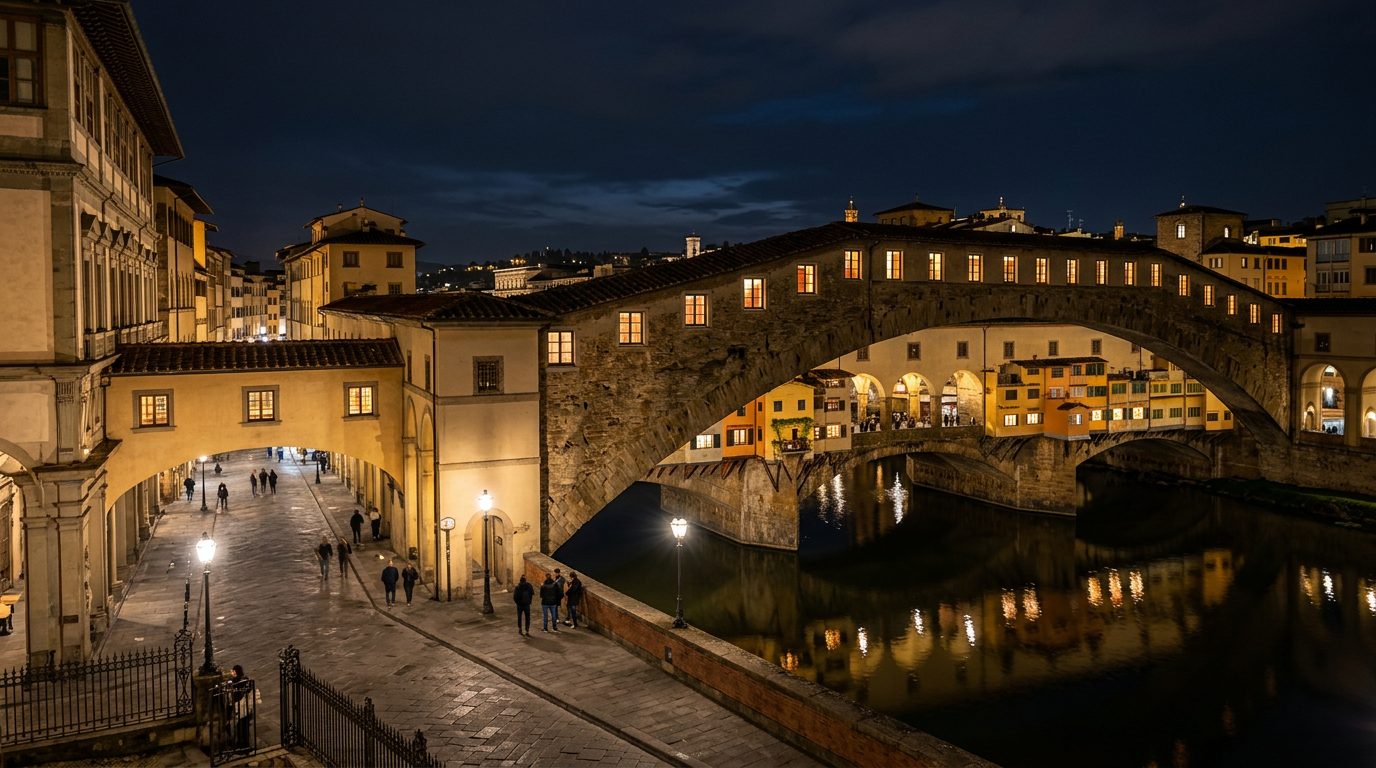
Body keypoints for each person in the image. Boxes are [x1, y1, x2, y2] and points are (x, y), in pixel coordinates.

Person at [227, 665, 254, 753]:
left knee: (239, 726)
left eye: (232, 671)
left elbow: (234, 697)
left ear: (235, 671)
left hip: (239, 708)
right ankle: (246, 745)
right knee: (245, 726)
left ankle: (240, 746)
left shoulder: (235, 681)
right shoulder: (246, 679)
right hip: (246, 707)